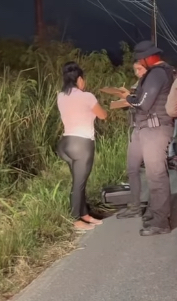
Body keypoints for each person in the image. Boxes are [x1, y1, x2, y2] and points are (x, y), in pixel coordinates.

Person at [116, 40, 175, 236]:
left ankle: (160, 221)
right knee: (142, 171)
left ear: (149, 57)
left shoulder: (158, 73)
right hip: (145, 129)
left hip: (155, 130)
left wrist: (128, 99)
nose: (139, 62)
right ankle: (152, 212)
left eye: (141, 59)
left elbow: (143, 103)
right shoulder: (154, 74)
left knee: (156, 176)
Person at [56, 61, 107, 231]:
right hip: (81, 145)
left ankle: (84, 214)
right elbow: (103, 115)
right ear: (79, 79)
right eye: (83, 79)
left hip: (64, 145)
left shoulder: (60, 96)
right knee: (79, 183)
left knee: (80, 182)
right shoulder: (87, 97)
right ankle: (75, 219)